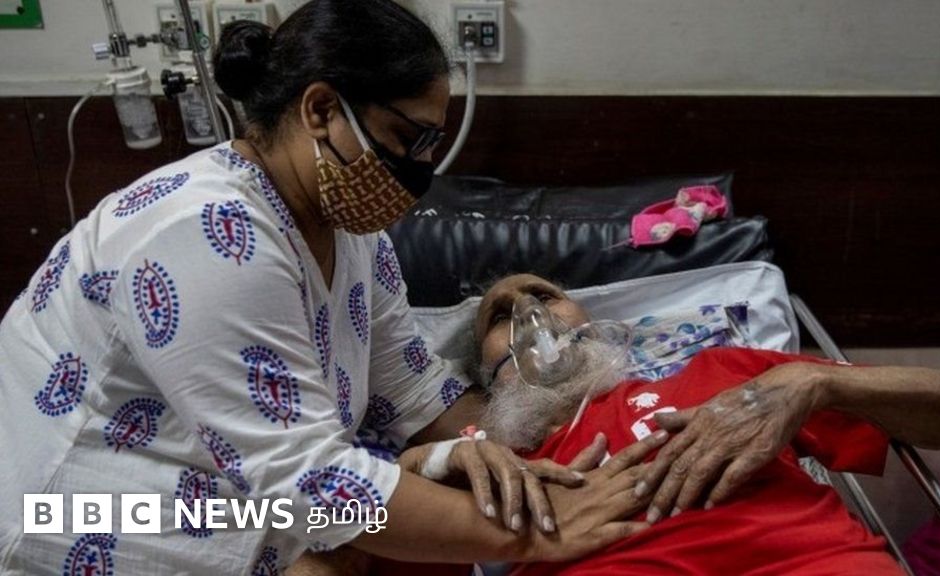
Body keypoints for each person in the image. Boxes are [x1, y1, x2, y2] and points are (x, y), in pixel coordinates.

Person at [0, 3, 662, 574]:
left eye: (432, 144)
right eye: (410, 138)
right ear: (321, 109)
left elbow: (412, 393)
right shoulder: (205, 235)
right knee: (344, 545)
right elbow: (307, 484)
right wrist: (539, 529)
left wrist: (528, 451)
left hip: (231, 488)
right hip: (76, 510)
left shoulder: (352, 234)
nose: (423, 168)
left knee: (381, 519)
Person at [399, 273, 940, 575]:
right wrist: (428, 461)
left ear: (591, 323)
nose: (530, 315)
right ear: (487, 376)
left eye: (545, 296)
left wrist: (813, 383)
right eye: (500, 318)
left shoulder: (727, 375)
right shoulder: (486, 457)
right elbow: (356, 517)